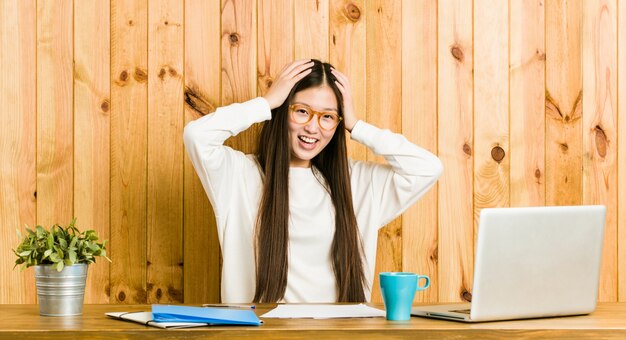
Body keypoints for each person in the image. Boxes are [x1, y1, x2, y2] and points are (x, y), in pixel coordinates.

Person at [184, 59, 443, 303]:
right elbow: (197, 136)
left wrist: (356, 125)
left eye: (327, 116)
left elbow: (427, 168)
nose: (313, 127)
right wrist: (266, 102)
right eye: (301, 111)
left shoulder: (357, 183)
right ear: (281, 111)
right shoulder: (239, 176)